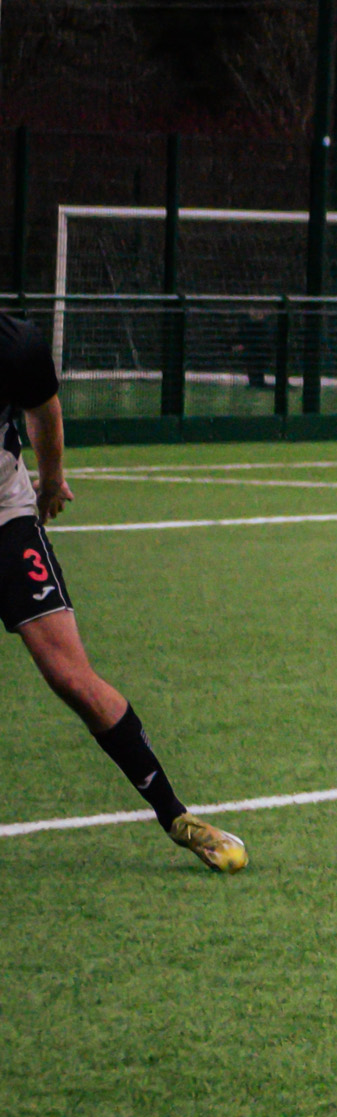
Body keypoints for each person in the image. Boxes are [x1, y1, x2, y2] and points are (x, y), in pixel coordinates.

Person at [0, 313, 245, 870]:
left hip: (6, 517)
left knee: (71, 677)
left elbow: (44, 412)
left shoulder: (15, 346)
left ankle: (177, 817)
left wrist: (52, 481)